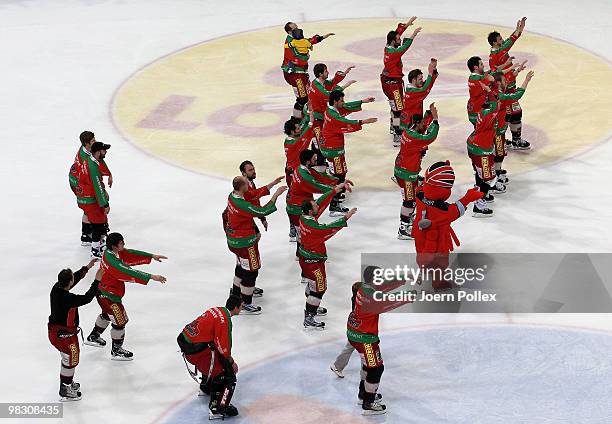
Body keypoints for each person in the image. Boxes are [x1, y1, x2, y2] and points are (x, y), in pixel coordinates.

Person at [84, 232, 167, 360]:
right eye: (121, 243)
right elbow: (127, 271)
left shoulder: (110, 252)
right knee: (120, 322)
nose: (124, 244)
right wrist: (151, 277)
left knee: (107, 315)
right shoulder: (113, 262)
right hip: (109, 297)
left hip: (103, 293)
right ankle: (116, 350)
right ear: (115, 246)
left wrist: (151, 256)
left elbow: (130, 253)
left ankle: (93, 336)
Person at [346, 266, 412, 415]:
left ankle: (363, 395)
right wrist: (411, 294)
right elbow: (390, 301)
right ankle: (368, 403)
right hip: (365, 339)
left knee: (367, 365)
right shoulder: (372, 299)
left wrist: (404, 278)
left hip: (355, 332)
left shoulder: (364, 288)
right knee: (375, 368)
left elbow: (383, 287)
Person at [412, 161, 484, 290]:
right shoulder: (442, 209)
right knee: (440, 263)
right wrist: (468, 197)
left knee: (421, 252)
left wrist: (439, 170)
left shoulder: (419, 193)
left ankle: (423, 269)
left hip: (419, 232)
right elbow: (455, 211)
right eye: (448, 188)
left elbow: (424, 185)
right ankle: (438, 283)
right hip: (437, 239)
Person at [225, 176, 287, 314]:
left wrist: (271, 184)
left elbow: (253, 194)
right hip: (245, 244)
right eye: (247, 183)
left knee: (241, 266)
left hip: (233, 241)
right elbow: (262, 211)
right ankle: (246, 302)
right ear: (242, 187)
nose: (249, 184)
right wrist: (276, 195)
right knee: (252, 271)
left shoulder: (232, 196)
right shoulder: (243, 205)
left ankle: (236, 294)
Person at [299, 184, 356, 329]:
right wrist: (345, 218)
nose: (317, 205)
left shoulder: (304, 218)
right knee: (320, 288)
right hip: (313, 261)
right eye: (314, 205)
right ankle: (309, 316)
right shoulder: (313, 227)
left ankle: (312, 304)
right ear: (311, 211)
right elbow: (326, 229)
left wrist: (334, 190)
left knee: (314, 286)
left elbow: (320, 202)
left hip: (307, 258)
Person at [177, 295, 242, 420]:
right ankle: (217, 408)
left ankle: (206, 387)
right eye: (241, 306)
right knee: (226, 373)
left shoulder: (216, 309)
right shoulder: (225, 320)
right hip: (194, 350)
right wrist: (231, 363)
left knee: (213, 355)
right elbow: (224, 347)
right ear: (236, 307)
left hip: (187, 343)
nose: (242, 308)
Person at [48, 259, 102, 401]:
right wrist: (96, 281)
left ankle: (67, 382)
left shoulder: (56, 289)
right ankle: (65, 388)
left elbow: (74, 279)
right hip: (63, 335)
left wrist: (86, 268)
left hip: (58, 333)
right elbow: (87, 298)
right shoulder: (68, 298)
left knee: (69, 359)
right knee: (70, 359)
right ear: (69, 283)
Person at [321, 90, 376, 214]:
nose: (343, 102)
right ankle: (334, 204)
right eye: (341, 100)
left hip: (330, 148)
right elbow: (345, 123)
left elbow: (345, 107)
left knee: (337, 173)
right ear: (335, 102)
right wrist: (363, 122)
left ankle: (336, 198)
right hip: (333, 150)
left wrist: (362, 101)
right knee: (339, 175)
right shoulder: (334, 116)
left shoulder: (330, 109)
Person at [394, 103, 439, 239]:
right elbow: (430, 137)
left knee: (412, 196)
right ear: (417, 123)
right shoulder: (415, 138)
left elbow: (422, 126)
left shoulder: (409, 130)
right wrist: (435, 120)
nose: (423, 126)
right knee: (410, 201)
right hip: (406, 174)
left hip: (404, 170)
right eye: (422, 124)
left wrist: (428, 114)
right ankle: (403, 228)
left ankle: (407, 220)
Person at [488, 17, 529, 149]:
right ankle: (501, 141)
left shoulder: (500, 51)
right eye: (500, 40)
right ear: (494, 43)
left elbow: (507, 43)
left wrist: (516, 71)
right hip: (505, 91)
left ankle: (515, 140)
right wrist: (518, 30)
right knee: (506, 116)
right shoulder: (497, 54)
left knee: (515, 113)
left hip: (510, 86)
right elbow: (509, 43)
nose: (502, 40)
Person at [282, 22, 334, 119]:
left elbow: (308, 41)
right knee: (303, 99)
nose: (298, 29)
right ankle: (296, 120)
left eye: (297, 27)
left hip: (300, 74)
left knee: (307, 96)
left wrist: (322, 37)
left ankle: (303, 117)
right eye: (295, 28)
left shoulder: (296, 38)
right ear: (289, 31)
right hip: (295, 74)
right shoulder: (289, 43)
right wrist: (305, 57)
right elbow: (293, 59)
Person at [380, 17, 421, 140]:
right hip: (393, 84)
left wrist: (406, 25)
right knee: (399, 109)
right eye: (398, 40)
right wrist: (413, 34)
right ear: (393, 42)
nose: (400, 40)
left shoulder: (388, 47)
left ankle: (393, 126)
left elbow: (396, 33)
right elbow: (405, 46)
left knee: (394, 107)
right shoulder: (394, 53)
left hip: (387, 81)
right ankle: (397, 133)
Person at [286, 149, 338, 247]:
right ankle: (303, 255)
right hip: (296, 208)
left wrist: (336, 181)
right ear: (307, 161)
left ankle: (297, 242)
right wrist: (336, 188)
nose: (316, 161)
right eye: (314, 159)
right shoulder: (305, 176)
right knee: (303, 234)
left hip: (294, 204)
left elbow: (319, 177)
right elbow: (318, 185)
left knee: (301, 231)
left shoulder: (301, 169)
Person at [308, 63, 356, 168]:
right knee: (319, 142)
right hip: (316, 119)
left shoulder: (320, 83)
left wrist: (344, 74)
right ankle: (317, 165)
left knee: (318, 141)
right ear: (320, 74)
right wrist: (345, 86)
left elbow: (331, 83)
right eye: (326, 71)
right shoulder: (318, 88)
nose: (328, 72)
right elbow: (330, 96)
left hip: (320, 117)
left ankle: (317, 163)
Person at [69, 131, 112, 246]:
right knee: (93, 206)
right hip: (78, 183)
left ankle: (86, 235)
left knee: (88, 208)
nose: (95, 141)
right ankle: (95, 237)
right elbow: (95, 184)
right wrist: (104, 200)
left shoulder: (87, 150)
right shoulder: (87, 160)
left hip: (79, 181)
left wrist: (109, 174)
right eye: (93, 141)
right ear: (86, 144)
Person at [492, 69, 534, 183]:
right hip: (497, 132)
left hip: (494, 130)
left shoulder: (493, 91)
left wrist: (514, 72)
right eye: (505, 80)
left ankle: (495, 172)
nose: (507, 82)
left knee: (497, 152)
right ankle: (495, 176)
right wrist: (526, 80)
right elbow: (518, 94)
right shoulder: (501, 96)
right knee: (498, 153)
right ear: (499, 83)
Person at [466, 95, 504, 216]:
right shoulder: (489, 114)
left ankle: (480, 195)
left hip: (474, 146)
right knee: (490, 178)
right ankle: (478, 205)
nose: (499, 103)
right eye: (497, 102)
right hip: (481, 151)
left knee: (479, 173)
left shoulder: (483, 112)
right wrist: (489, 90)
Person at [77, 141, 112, 257]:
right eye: (104, 150)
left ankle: (87, 237)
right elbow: (97, 187)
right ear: (98, 152)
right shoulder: (93, 167)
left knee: (93, 218)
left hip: (83, 197)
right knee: (98, 223)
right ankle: (96, 250)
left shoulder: (89, 161)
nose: (105, 152)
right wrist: (105, 204)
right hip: (90, 200)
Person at [400, 58, 439, 140]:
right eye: (420, 79)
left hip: (412, 120)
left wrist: (434, 68)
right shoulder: (413, 92)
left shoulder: (414, 89)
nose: (422, 81)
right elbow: (425, 89)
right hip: (410, 123)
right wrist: (430, 73)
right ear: (414, 80)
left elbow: (428, 84)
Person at [330, 281, 361, 378]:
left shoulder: (355, 299)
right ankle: (366, 374)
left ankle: (337, 366)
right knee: (366, 352)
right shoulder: (360, 303)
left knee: (349, 347)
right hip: (360, 329)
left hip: (354, 328)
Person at [466, 56, 495, 127]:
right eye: (481, 64)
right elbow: (490, 78)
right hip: (478, 108)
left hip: (474, 107)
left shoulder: (472, 77)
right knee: (483, 132)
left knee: (479, 131)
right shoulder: (478, 79)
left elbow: (485, 74)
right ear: (476, 67)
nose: (483, 66)